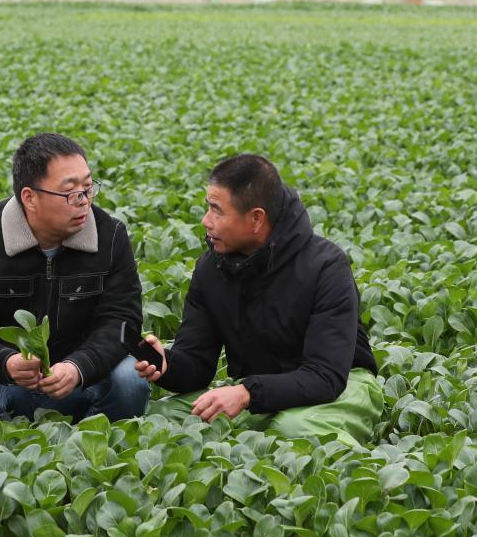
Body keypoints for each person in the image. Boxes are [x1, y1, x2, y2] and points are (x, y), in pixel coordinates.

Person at [135, 154, 382, 446]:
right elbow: (197, 363)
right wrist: (167, 365)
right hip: (257, 390)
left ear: (256, 218)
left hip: (342, 385)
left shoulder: (326, 266)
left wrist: (247, 393)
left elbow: (325, 376)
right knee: (161, 416)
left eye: (216, 210)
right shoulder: (211, 268)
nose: (205, 220)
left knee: (292, 430)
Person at [0, 132, 149, 422]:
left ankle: (94, 439)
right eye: (70, 193)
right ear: (30, 197)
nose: (83, 201)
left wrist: (78, 368)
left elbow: (121, 320)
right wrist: (8, 363)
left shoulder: (110, 235)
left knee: (131, 377)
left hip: (79, 383)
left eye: (88, 188)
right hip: (6, 384)